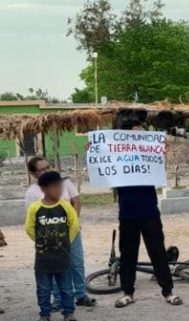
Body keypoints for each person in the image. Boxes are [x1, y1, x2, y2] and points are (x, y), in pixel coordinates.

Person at [112, 120, 181, 308]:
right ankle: (128, 293)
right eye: (136, 134)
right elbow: (102, 166)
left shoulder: (149, 153)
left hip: (150, 211)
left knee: (158, 253)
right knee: (127, 255)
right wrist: (95, 150)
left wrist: (162, 148)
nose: (140, 137)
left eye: (143, 134)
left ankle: (168, 291)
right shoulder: (116, 155)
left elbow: (159, 165)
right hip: (127, 213)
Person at [24, 157, 96, 309]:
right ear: (33, 173)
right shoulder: (32, 193)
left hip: (71, 232)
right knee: (54, 266)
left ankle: (81, 294)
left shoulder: (64, 183)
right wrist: (40, 239)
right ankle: (58, 299)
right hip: (49, 238)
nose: (46, 171)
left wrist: (73, 225)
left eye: (47, 167)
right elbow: (32, 219)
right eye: (41, 169)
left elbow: (76, 201)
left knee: (76, 263)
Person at [25, 171, 80, 321]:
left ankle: (69, 312)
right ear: (44, 189)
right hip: (43, 258)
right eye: (54, 187)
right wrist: (41, 241)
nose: (59, 190)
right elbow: (29, 228)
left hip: (62, 256)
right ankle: (44, 315)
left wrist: (65, 242)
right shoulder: (35, 208)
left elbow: (74, 224)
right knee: (43, 289)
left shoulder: (65, 206)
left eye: (59, 187)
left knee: (66, 287)